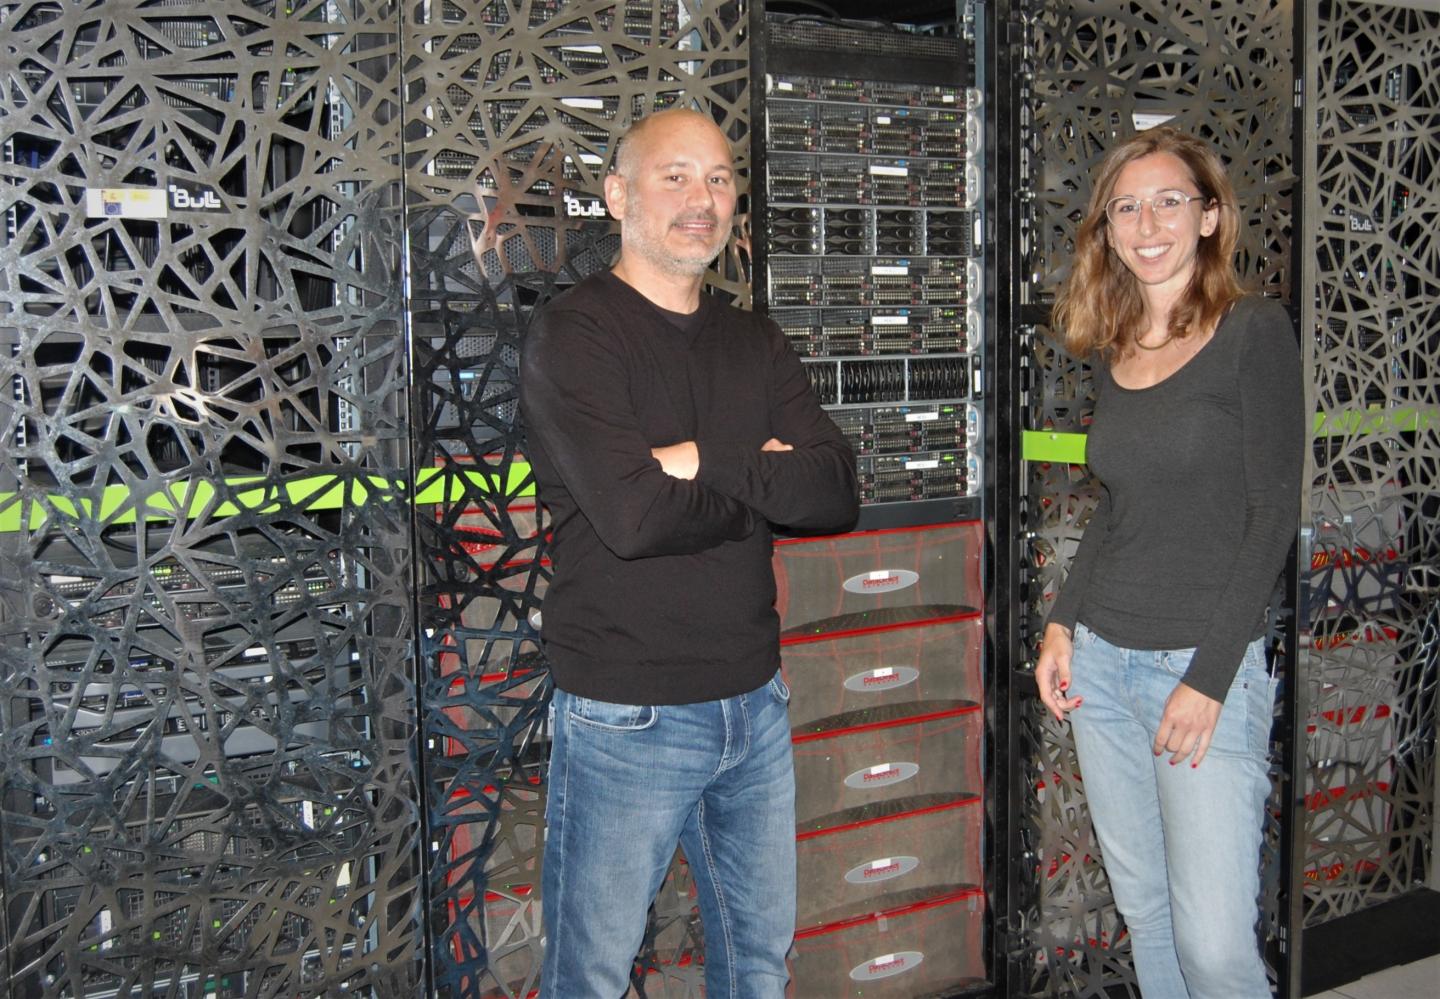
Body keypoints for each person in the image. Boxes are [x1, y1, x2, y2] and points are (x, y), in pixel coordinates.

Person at [520, 106, 859, 997]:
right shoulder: (575, 334)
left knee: (757, 966)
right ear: (618, 194)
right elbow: (632, 517)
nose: (701, 199)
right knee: (588, 975)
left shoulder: (754, 337)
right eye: (675, 176)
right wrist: (758, 489)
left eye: (717, 179)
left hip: (755, 701)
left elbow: (835, 493)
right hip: (627, 711)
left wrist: (704, 461)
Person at [1035, 126, 1303, 999]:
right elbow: (1119, 506)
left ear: (1210, 215)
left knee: (1217, 946)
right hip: (1104, 669)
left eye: (1169, 201)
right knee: (1148, 917)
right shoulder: (1120, 348)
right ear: (1107, 230)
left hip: (1201, 667)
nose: (1147, 222)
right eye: (1126, 207)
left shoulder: (1254, 330)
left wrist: (1211, 677)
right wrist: (1063, 621)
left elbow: (1274, 514)